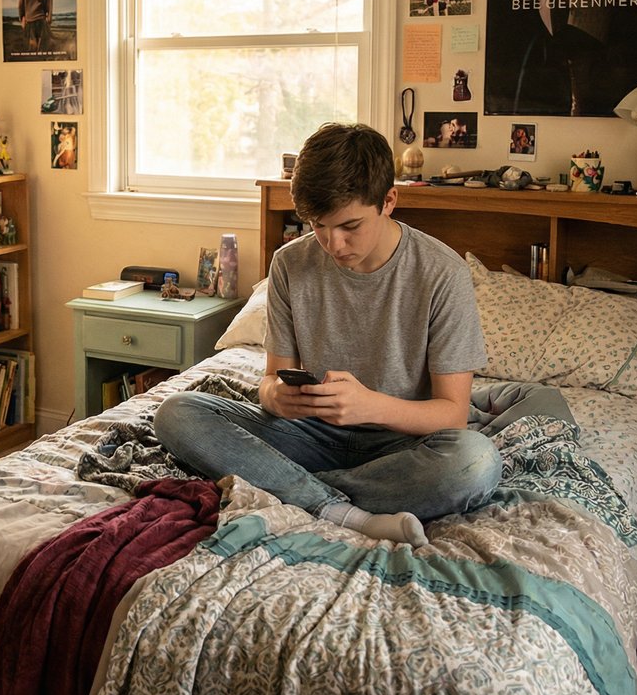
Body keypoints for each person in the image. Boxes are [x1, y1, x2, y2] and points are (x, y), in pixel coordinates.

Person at [154, 123, 508, 547]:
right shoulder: (289, 264)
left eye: (349, 226)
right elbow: (272, 380)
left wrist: (368, 405)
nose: (333, 243)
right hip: (310, 434)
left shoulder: (443, 273)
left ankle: (290, 487)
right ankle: (339, 509)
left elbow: (452, 413)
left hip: (403, 447)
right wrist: (275, 396)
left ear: (388, 201)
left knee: (475, 463)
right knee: (176, 412)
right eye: (317, 226)